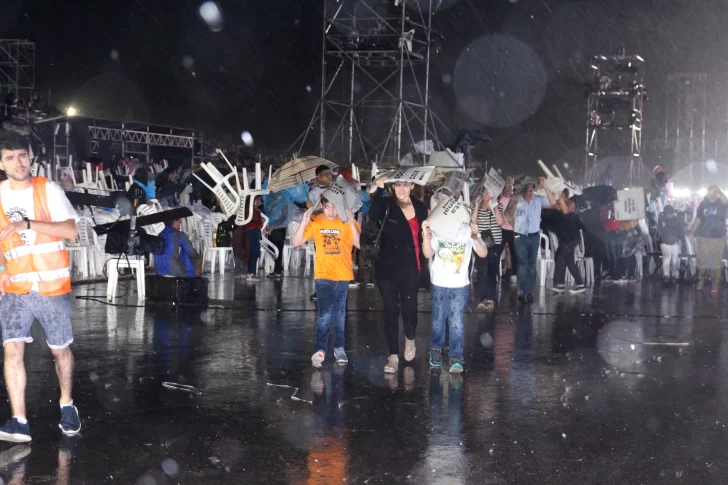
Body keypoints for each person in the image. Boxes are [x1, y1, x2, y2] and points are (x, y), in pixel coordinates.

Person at [0, 131, 81, 442]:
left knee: (60, 350)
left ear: (30, 156)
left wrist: (29, 224)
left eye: (22, 155)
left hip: (51, 285)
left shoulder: (46, 188)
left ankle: (66, 404)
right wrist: (1, 270)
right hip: (16, 287)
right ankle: (19, 420)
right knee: (12, 348)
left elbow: (71, 230)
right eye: (10, 157)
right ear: (1, 162)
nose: (18, 162)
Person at [369, 175, 429, 374]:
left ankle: (409, 338)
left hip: (411, 266)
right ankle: (393, 355)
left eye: (405, 184)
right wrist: (378, 190)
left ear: (412, 185)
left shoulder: (420, 207)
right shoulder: (385, 204)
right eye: (397, 185)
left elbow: (427, 235)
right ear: (392, 186)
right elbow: (372, 218)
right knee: (391, 311)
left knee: (410, 308)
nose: (402, 189)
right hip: (386, 266)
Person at [293, 198, 360, 368]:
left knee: (339, 314)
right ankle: (319, 349)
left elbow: (359, 244)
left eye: (334, 207)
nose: (331, 211)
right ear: (322, 206)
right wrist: (304, 222)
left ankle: (339, 347)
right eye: (327, 207)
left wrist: (352, 223)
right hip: (323, 274)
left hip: (343, 274)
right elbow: (296, 242)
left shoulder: (346, 221)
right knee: (324, 314)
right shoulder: (316, 221)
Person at [422, 218, 487, 373]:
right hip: (439, 283)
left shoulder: (468, 229)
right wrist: (426, 235)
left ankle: (456, 355)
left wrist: (475, 236)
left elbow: (483, 252)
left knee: (456, 321)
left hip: (459, 284)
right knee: (438, 318)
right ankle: (436, 349)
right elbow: (427, 252)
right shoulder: (438, 228)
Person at [506, 177, 556, 303]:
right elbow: (508, 215)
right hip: (520, 235)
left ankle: (529, 291)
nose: (531, 190)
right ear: (523, 189)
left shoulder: (538, 199)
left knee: (532, 265)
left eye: (532, 187)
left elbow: (553, 202)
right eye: (528, 188)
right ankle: (522, 291)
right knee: (523, 264)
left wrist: (544, 186)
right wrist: (515, 203)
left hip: (534, 235)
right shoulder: (516, 199)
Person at [471, 188, 506, 312]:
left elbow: (500, 222)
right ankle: (482, 298)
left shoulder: (498, 204)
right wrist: (476, 206)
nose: (486, 193)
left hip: (495, 242)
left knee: (491, 270)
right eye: (484, 191)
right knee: (482, 270)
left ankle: (490, 299)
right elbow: (473, 221)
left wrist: (495, 206)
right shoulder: (479, 205)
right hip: (482, 242)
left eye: (488, 191)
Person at [689, 185, 728, 292]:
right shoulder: (703, 204)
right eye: (711, 191)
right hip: (704, 237)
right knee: (702, 260)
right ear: (707, 192)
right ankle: (702, 278)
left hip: (718, 237)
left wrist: (720, 191)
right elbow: (698, 219)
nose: (713, 194)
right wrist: (692, 233)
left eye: (715, 192)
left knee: (716, 262)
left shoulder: (722, 203)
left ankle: (715, 283)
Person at [548, 194, 586, 293]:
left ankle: (560, 284)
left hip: (571, 239)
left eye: (571, 205)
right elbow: (556, 206)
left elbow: (565, 211)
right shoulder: (566, 208)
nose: (569, 205)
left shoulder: (574, 215)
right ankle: (580, 284)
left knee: (559, 256)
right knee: (569, 261)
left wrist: (561, 200)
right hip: (567, 239)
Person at [658, 205, 683, 286]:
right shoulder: (677, 220)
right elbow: (680, 231)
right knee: (670, 259)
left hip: (668, 241)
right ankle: (670, 276)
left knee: (671, 259)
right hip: (668, 242)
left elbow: (661, 231)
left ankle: (669, 276)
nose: (669, 215)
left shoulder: (662, 219)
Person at [498, 180, 518, 283]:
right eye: (505, 189)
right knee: (503, 250)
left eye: (509, 189)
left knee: (513, 251)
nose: (507, 190)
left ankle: (514, 272)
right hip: (504, 228)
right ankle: (507, 271)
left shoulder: (514, 199)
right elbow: (500, 213)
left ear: (512, 190)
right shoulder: (502, 199)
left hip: (513, 230)